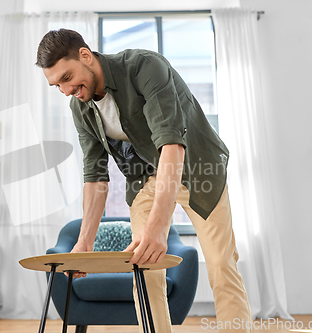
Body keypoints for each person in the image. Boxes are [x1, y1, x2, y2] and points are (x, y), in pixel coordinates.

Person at [36, 28, 254, 333]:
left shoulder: (143, 68)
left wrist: (157, 229)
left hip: (197, 167)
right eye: (56, 84)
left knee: (220, 263)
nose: (65, 90)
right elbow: (95, 177)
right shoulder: (81, 107)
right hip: (144, 179)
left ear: (85, 56)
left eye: (67, 77)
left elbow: (172, 145)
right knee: (144, 268)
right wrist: (84, 245)